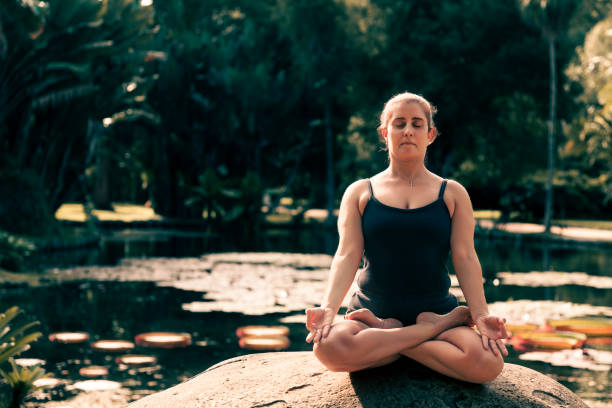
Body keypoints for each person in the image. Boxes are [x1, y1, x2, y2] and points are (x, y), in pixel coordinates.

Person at [304, 92, 509, 383]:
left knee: (488, 363)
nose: (408, 130)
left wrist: (480, 315)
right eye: (399, 123)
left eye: (416, 123)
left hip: (434, 309)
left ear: (430, 134)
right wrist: (328, 309)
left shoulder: (453, 193)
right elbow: (347, 255)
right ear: (385, 133)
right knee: (328, 349)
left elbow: (465, 256)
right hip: (371, 314)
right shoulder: (360, 192)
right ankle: (428, 332)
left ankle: (395, 339)